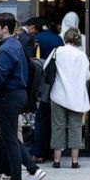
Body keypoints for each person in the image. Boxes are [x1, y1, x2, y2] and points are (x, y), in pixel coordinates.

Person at [0, 13, 46, 180]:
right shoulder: (15, 45)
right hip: (17, 94)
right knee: (11, 137)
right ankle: (32, 169)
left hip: (10, 96)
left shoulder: (7, 48)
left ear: (5, 28)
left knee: (10, 139)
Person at [46, 28, 90, 168]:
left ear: (65, 38)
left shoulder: (57, 51)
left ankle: (57, 160)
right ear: (78, 39)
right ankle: (74, 161)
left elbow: (46, 68)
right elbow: (87, 76)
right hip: (76, 96)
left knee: (58, 126)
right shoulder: (81, 55)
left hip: (58, 94)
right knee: (75, 127)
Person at [30, 18, 64, 163]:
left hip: (40, 83)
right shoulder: (58, 39)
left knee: (40, 119)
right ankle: (51, 152)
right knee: (53, 120)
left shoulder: (37, 38)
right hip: (55, 82)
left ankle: (38, 152)